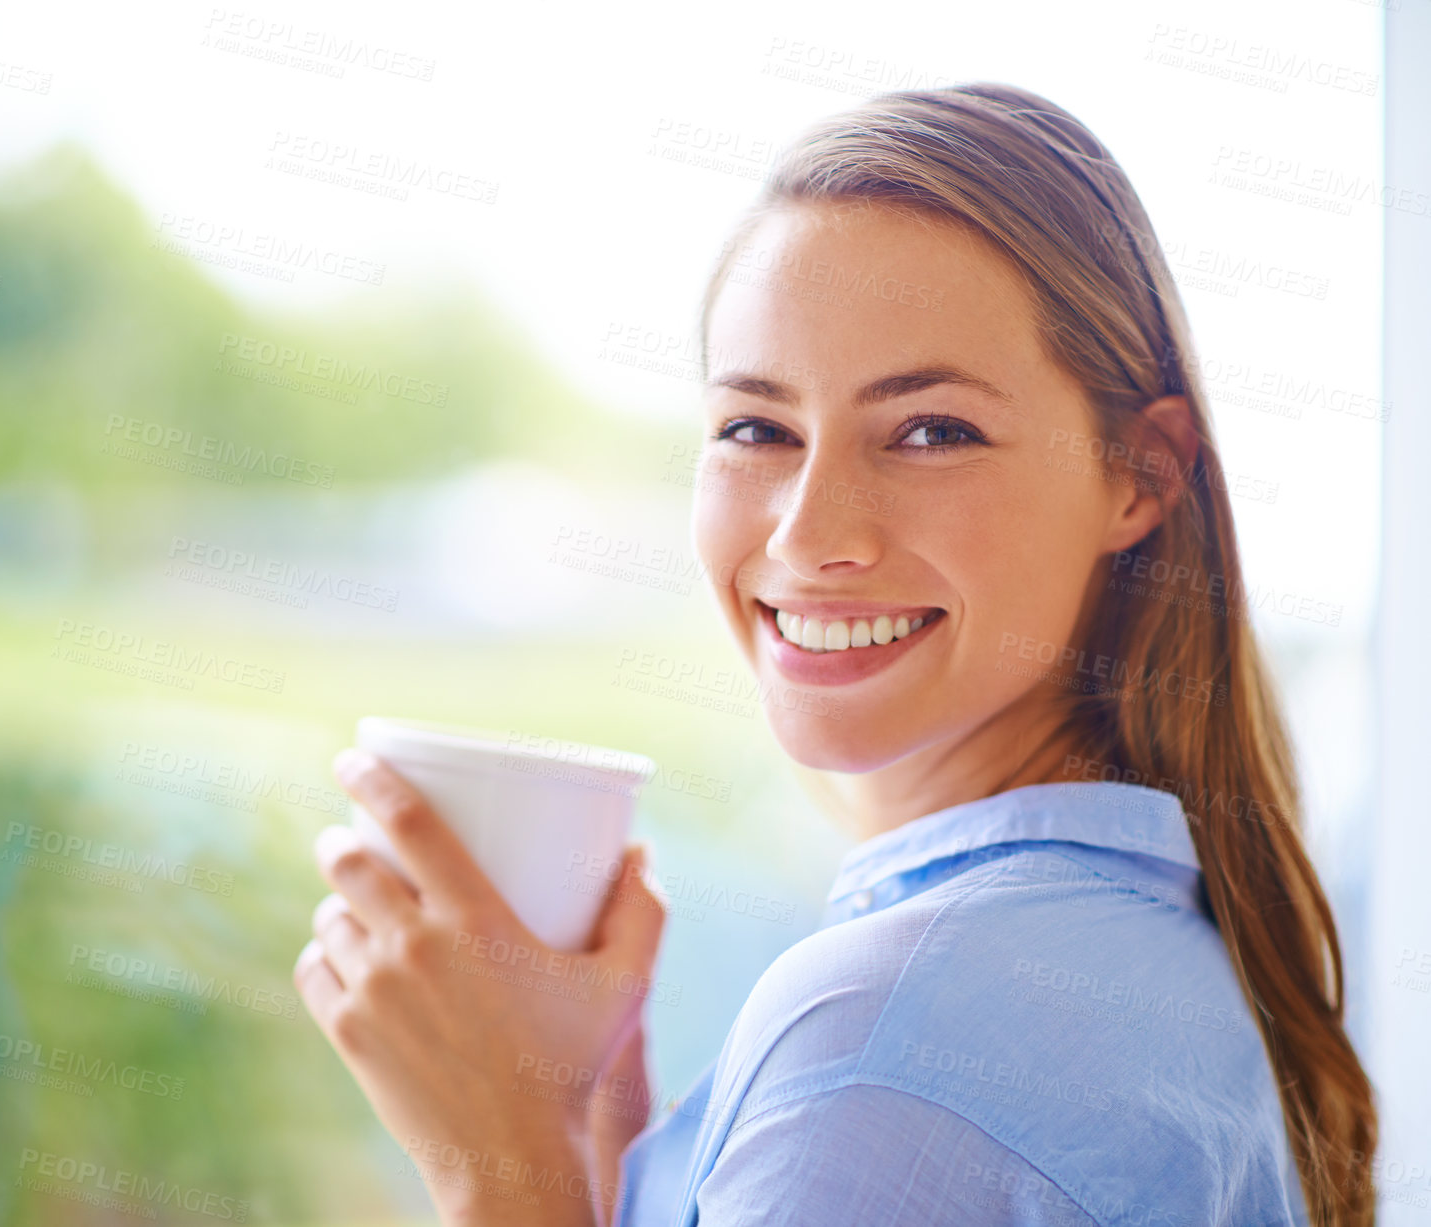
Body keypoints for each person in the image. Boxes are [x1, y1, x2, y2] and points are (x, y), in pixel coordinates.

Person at [292, 83, 1377, 1226]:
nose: (808, 536)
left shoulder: (889, 1036)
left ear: (1140, 474)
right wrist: (607, 1144)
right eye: (755, 428)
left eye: (930, 431)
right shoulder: (1136, 935)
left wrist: (497, 1163)